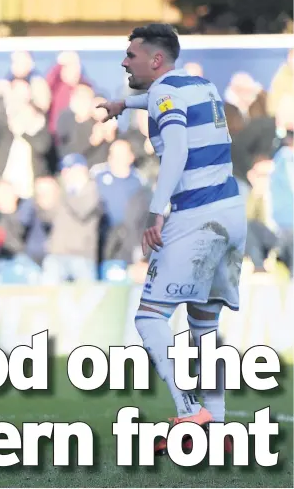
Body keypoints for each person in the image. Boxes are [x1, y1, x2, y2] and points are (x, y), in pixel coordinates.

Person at [100, 23, 245, 455]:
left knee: (149, 318)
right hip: (231, 213)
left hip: (195, 214)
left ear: (155, 60)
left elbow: (177, 148)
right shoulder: (199, 85)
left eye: (131, 55)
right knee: (204, 324)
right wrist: (123, 103)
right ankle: (216, 424)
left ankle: (188, 411)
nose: (125, 61)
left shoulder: (165, 95)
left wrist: (154, 211)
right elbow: (160, 99)